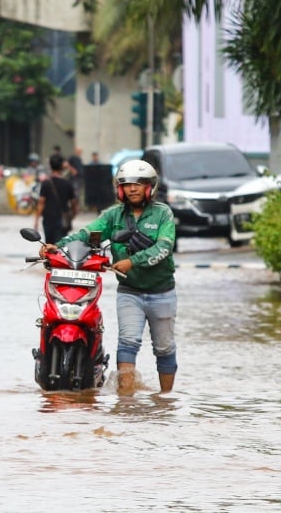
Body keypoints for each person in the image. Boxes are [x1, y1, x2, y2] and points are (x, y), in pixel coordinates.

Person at [39, 160, 178, 395]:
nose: (133, 189)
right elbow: (86, 235)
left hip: (162, 292)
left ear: (150, 187)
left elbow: (164, 247)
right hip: (129, 292)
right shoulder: (113, 216)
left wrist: (133, 261)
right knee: (128, 343)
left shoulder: (163, 213)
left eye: (139, 184)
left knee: (164, 348)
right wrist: (57, 247)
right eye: (127, 184)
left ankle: (166, 400)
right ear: (120, 189)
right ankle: (125, 402)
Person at [34, 154, 77, 243]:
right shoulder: (67, 184)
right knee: (60, 247)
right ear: (62, 166)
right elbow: (74, 203)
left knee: (49, 246)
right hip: (62, 220)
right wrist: (72, 215)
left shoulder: (46, 183)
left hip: (48, 219)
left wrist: (36, 220)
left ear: (50, 166)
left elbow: (41, 203)